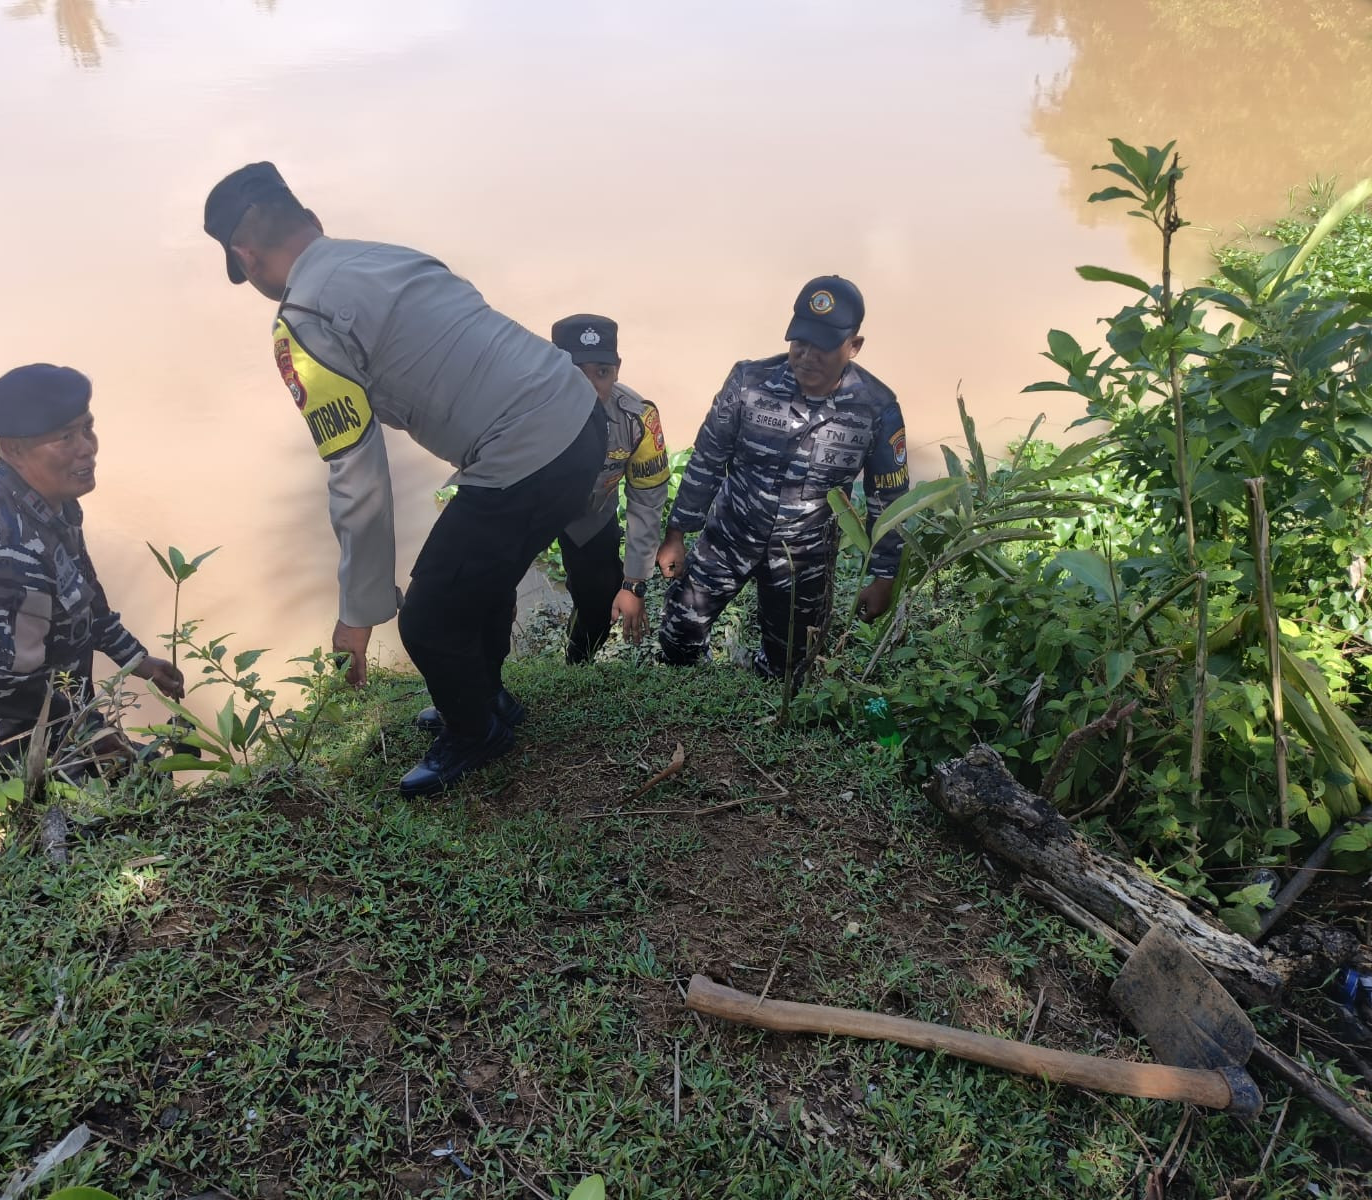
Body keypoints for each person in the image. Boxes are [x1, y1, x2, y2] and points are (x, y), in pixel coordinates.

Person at [202, 161, 604, 797]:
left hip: (524, 452)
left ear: (246, 257)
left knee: (426, 618)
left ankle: (478, 734)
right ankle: (483, 698)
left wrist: (357, 613)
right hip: (581, 421)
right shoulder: (387, 255)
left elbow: (357, 475)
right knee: (481, 576)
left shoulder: (301, 321)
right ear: (313, 223)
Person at [0, 365, 185, 786]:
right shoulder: (3, 550)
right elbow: (3, 683)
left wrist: (135, 658)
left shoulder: (53, 503)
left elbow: (85, 598)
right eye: (65, 437)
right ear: (14, 449)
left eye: (88, 428)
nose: (87, 449)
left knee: (142, 786)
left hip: (52, 711)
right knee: (109, 815)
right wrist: (92, 733)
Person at [655, 276, 908, 679]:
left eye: (822, 347)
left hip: (803, 559)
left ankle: (764, 706)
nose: (807, 356)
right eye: (799, 342)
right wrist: (677, 532)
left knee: (789, 668)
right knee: (677, 640)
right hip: (728, 538)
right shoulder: (749, 383)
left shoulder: (876, 407)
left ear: (854, 346)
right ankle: (688, 703)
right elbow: (707, 458)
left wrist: (884, 574)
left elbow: (889, 497)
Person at [547, 313, 670, 662]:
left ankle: (575, 664)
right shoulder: (521, 410)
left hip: (590, 515)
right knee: (485, 597)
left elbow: (646, 504)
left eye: (602, 372)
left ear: (617, 369)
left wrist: (634, 582)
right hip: (529, 512)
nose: (590, 387)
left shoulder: (637, 419)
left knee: (599, 606)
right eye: (575, 372)